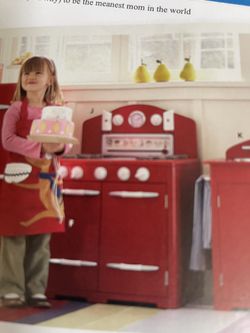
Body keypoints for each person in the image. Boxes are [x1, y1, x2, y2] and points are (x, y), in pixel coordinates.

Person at [0, 56, 72, 308]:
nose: (30, 78)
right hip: (17, 180)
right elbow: (7, 140)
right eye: (26, 74)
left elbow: (61, 145)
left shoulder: (57, 110)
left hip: (47, 182)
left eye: (37, 73)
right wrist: (41, 147)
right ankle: (11, 289)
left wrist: (58, 147)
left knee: (41, 239)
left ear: (50, 79)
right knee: (13, 236)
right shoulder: (15, 109)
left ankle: (36, 289)